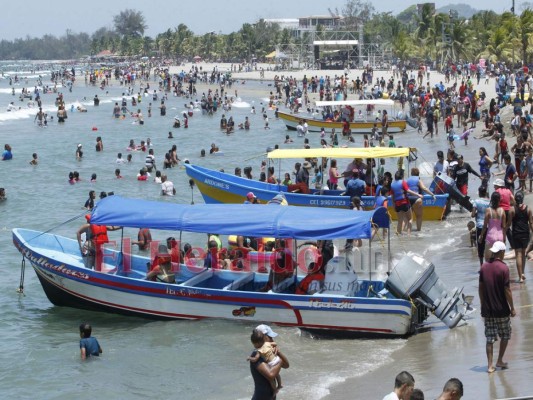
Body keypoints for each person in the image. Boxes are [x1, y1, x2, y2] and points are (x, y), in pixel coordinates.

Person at [479, 241, 516, 373]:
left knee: (489, 339)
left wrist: (483, 304)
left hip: (488, 310)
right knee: (505, 335)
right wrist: (512, 307)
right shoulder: (504, 268)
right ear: (502, 252)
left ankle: (490, 366)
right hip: (501, 310)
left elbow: (481, 288)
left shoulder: (484, 267)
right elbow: (507, 290)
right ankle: (499, 360)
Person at [249, 326, 289, 400]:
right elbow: (271, 375)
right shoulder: (256, 354)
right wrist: (279, 361)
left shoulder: (268, 351)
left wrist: (279, 353)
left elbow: (286, 365)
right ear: (263, 337)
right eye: (270, 337)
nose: (272, 339)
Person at [508, 191, 533, 282]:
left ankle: (520, 277)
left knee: (518, 254)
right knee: (523, 253)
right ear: (522, 199)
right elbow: (531, 223)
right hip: (526, 234)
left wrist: (504, 228)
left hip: (516, 234)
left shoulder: (512, 209)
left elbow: (509, 223)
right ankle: (522, 272)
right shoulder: (528, 209)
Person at [391, 171, 422, 235]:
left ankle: (398, 235)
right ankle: (408, 235)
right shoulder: (403, 182)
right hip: (405, 203)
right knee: (410, 219)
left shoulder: (392, 185)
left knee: (400, 221)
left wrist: (394, 206)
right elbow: (408, 190)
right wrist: (418, 195)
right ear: (402, 176)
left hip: (397, 204)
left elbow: (392, 197)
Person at [406, 167, 436, 231]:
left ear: (411, 173)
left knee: (409, 218)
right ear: (418, 174)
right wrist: (432, 194)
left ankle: (407, 234)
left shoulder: (407, 180)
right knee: (418, 216)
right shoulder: (418, 180)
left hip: (407, 200)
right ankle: (418, 231)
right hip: (416, 199)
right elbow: (424, 188)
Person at [472, 186, 490, 265]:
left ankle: (481, 265)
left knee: (480, 245)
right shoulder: (489, 202)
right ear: (485, 193)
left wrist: (476, 214)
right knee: (488, 245)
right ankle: (488, 263)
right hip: (488, 226)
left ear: (479, 193)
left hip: (480, 225)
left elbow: (472, 214)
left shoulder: (476, 201)